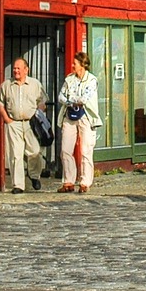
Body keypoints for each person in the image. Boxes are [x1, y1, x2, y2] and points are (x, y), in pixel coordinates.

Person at [0, 57, 45, 194]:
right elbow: (0, 104)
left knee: (35, 151)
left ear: (26, 70)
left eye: (18, 68)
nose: (16, 71)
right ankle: (18, 185)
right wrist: (7, 119)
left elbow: (42, 102)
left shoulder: (35, 84)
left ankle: (34, 175)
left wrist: (38, 115)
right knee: (15, 154)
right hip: (14, 123)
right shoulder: (7, 85)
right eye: (14, 68)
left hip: (30, 123)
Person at [57, 52, 101, 194]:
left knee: (86, 150)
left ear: (82, 65)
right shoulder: (69, 79)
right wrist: (71, 101)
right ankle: (68, 181)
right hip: (70, 115)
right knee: (65, 149)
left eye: (75, 63)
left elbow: (85, 98)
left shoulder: (92, 80)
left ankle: (85, 182)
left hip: (86, 116)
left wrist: (73, 99)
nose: (72, 66)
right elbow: (61, 96)